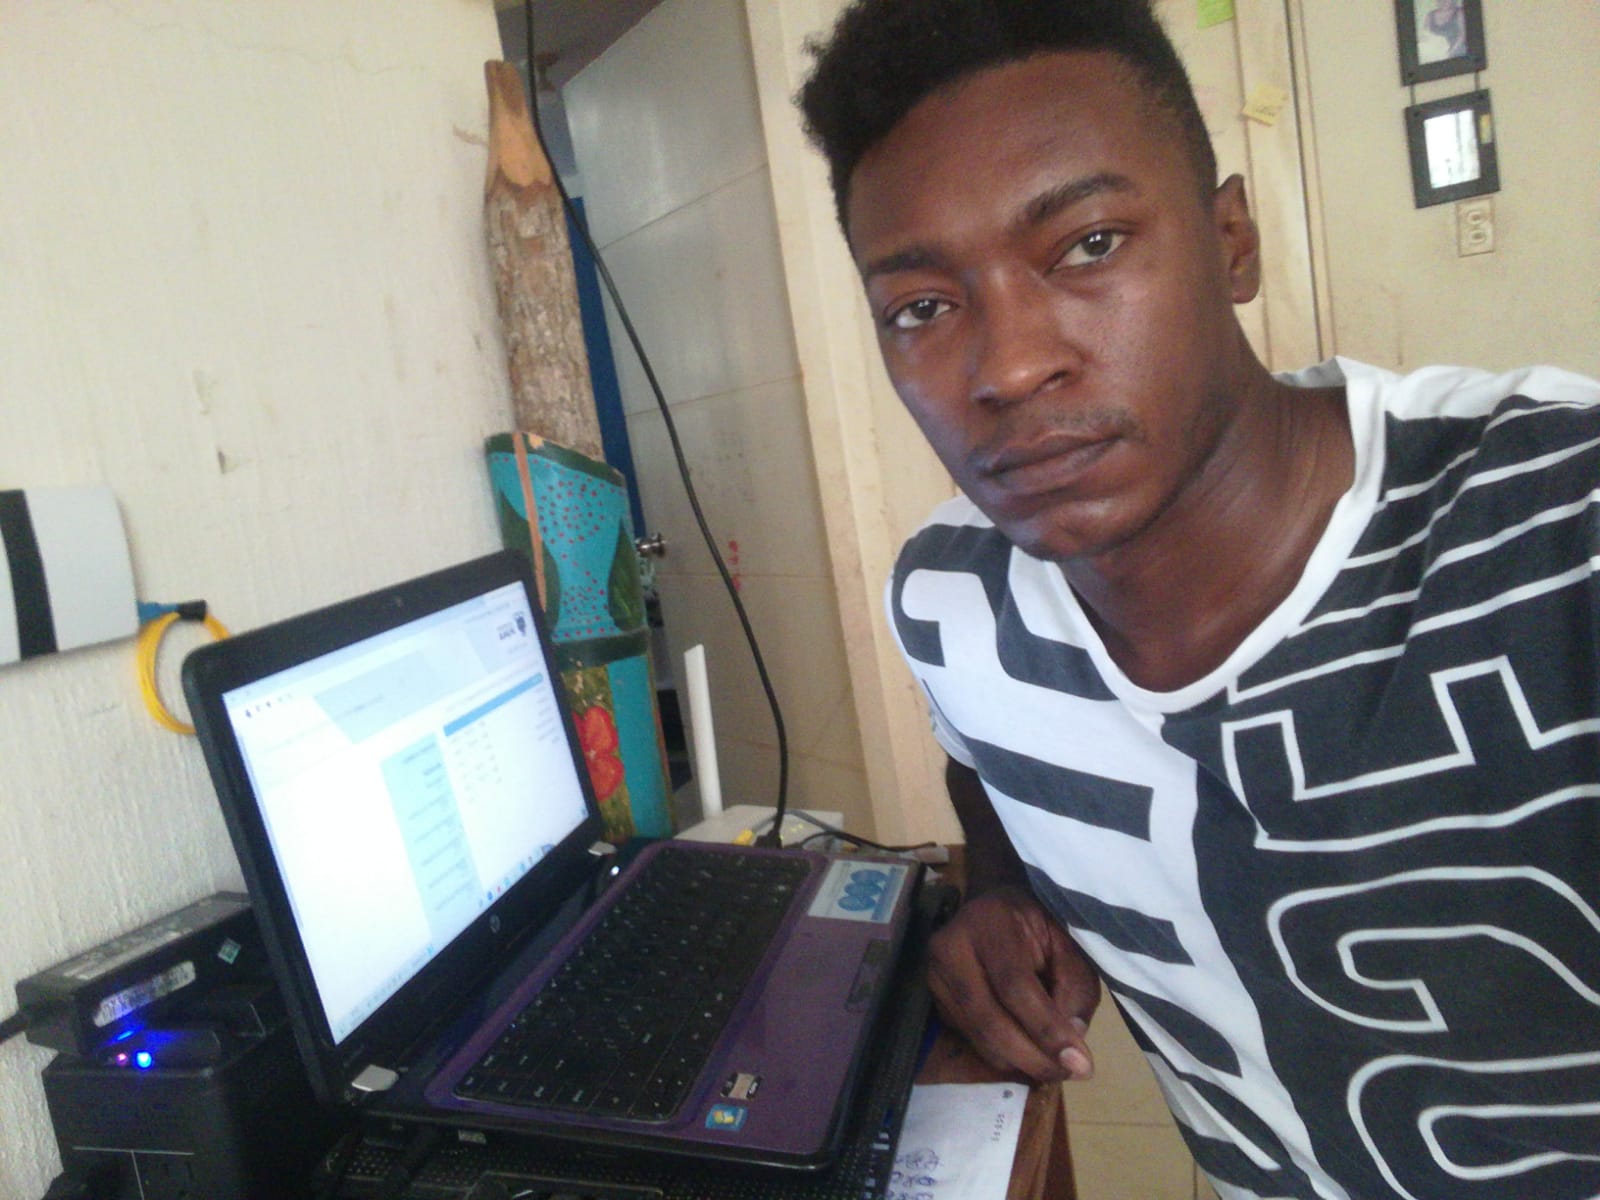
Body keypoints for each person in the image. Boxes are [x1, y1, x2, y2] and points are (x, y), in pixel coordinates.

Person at [797, 3, 1600, 1198]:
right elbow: (983, 760)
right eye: (921, 308)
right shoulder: (951, 602)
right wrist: (999, 892)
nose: (1007, 366)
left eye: (1088, 245)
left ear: (1231, 242)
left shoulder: (1551, 535)